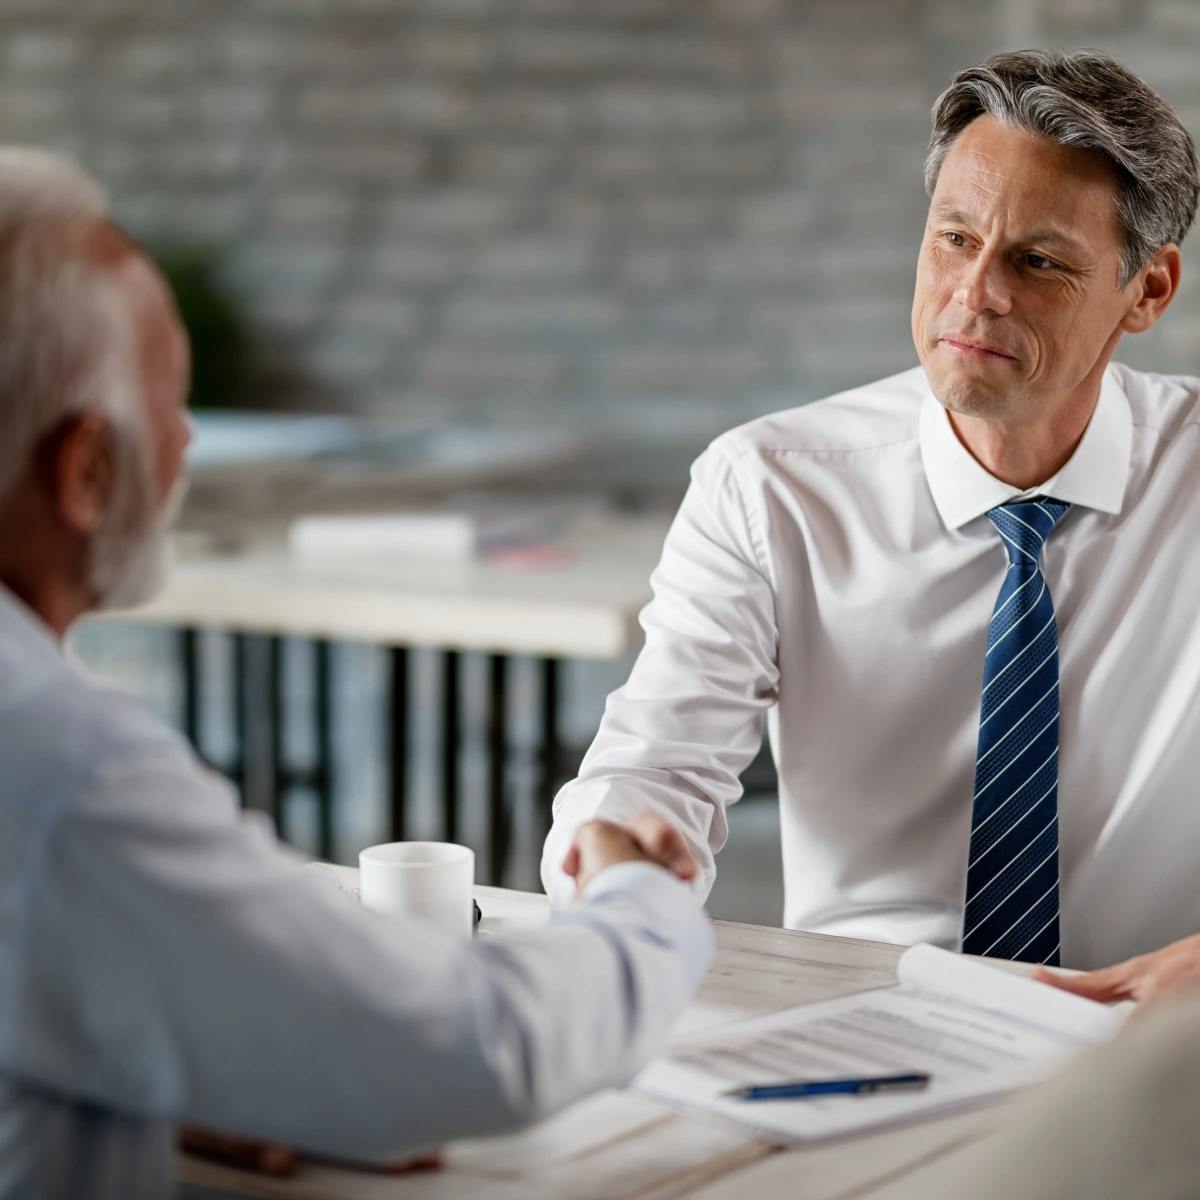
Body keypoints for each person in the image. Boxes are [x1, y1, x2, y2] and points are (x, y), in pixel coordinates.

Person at [0, 147, 711, 1200]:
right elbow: (482, 1047)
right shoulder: (62, 771)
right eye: (171, 404)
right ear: (86, 468)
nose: (189, 441)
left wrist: (187, 1058)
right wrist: (640, 899)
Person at [542, 48, 1200, 979]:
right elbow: (654, 765)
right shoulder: (769, 488)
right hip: (869, 1028)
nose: (975, 296)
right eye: (954, 239)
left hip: (1153, 1046)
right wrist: (618, 863)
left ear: (1150, 290)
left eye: (1039, 260)